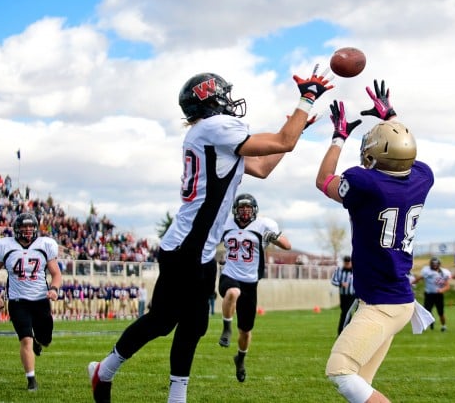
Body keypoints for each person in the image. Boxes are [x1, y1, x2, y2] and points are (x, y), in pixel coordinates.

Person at [88, 66, 333, 403]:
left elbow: (262, 167)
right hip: (186, 247)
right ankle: (105, 371)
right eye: (223, 95)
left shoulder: (212, 136)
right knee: (163, 321)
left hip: (199, 250)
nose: (229, 100)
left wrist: (297, 128)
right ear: (210, 101)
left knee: (195, 324)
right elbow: (282, 141)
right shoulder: (217, 127)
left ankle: (168, 393)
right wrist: (307, 97)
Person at [316, 79, 434, 403]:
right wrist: (391, 116)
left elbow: (323, 180)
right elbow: (400, 151)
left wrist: (338, 137)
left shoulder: (365, 184)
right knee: (361, 383)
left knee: (340, 370)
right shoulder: (422, 177)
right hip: (394, 299)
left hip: (383, 303)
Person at [218, 193, 291, 382]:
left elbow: (287, 245)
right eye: (241, 209)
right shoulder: (226, 224)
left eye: (247, 209)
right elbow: (208, 241)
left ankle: (240, 359)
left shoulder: (263, 225)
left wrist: (273, 238)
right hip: (230, 274)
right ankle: (226, 328)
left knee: (246, 331)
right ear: (235, 210)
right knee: (233, 292)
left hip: (250, 282)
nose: (244, 212)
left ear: (254, 211)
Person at [0, 212, 62, 391]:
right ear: (17, 229)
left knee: (46, 339)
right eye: (24, 227)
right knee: (25, 340)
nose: (28, 230)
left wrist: (54, 289)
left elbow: (56, 273)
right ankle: (31, 380)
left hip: (41, 300)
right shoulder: (5, 246)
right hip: (18, 301)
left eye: (30, 227)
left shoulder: (45, 245)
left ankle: (38, 341)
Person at [411, 257, 451, 332]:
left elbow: (447, 286)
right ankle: (430, 322)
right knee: (427, 310)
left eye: (436, 264)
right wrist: (410, 283)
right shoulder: (427, 271)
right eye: (433, 264)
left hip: (438, 295)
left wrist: (442, 290)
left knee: (441, 312)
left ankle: (443, 326)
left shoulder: (444, 273)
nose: (434, 266)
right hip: (429, 294)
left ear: (439, 264)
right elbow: (419, 278)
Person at [331, 255, 356, 334]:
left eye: (349, 263)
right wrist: (341, 284)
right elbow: (333, 281)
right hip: (343, 295)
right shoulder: (339, 270)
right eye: (346, 263)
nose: (347, 264)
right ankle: (349, 331)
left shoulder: (356, 270)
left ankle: (341, 332)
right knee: (345, 313)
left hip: (353, 295)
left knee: (346, 312)